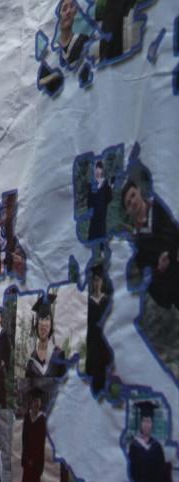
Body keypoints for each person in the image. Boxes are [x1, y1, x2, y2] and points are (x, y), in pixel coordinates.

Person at [122, 179, 179, 309]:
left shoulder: (161, 205)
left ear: (139, 190)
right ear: (127, 212)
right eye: (128, 203)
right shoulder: (137, 245)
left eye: (133, 195)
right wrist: (159, 269)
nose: (133, 202)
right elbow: (149, 278)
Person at [128, 400, 173, 482]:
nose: (146, 425)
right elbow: (132, 472)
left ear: (152, 424)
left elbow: (162, 473)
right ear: (140, 423)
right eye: (144, 421)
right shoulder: (134, 446)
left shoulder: (157, 447)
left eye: (148, 421)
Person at [25, 294, 67, 380]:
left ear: (51, 324)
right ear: (37, 325)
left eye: (47, 319)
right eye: (41, 319)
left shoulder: (59, 355)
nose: (43, 324)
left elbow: (64, 385)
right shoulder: (32, 359)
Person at [86, 265, 111, 394]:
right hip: (92, 343)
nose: (96, 283)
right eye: (94, 280)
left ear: (102, 281)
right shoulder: (87, 302)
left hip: (105, 343)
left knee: (105, 371)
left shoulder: (107, 300)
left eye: (98, 280)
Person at [21, 389, 47, 482]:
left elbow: (41, 444)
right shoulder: (27, 417)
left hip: (37, 461)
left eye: (38, 401)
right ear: (31, 403)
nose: (37, 404)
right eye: (35, 401)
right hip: (27, 460)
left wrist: (36, 461)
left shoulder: (42, 419)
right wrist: (27, 458)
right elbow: (24, 439)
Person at [56, 0, 89, 69]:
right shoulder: (53, 51)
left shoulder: (83, 40)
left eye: (72, 7)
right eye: (64, 9)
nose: (68, 11)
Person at [87, 161, 112, 242]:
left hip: (102, 211)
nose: (98, 170)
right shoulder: (91, 184)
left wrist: (110, 187)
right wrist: (90, 209)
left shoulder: (105, 183)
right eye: (96, 168)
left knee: (101, 230)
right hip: (94, 212)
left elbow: (109, 198)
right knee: (93, 229)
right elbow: (89, 199)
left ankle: (101, 246)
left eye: (99, 168)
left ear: (102, 170)